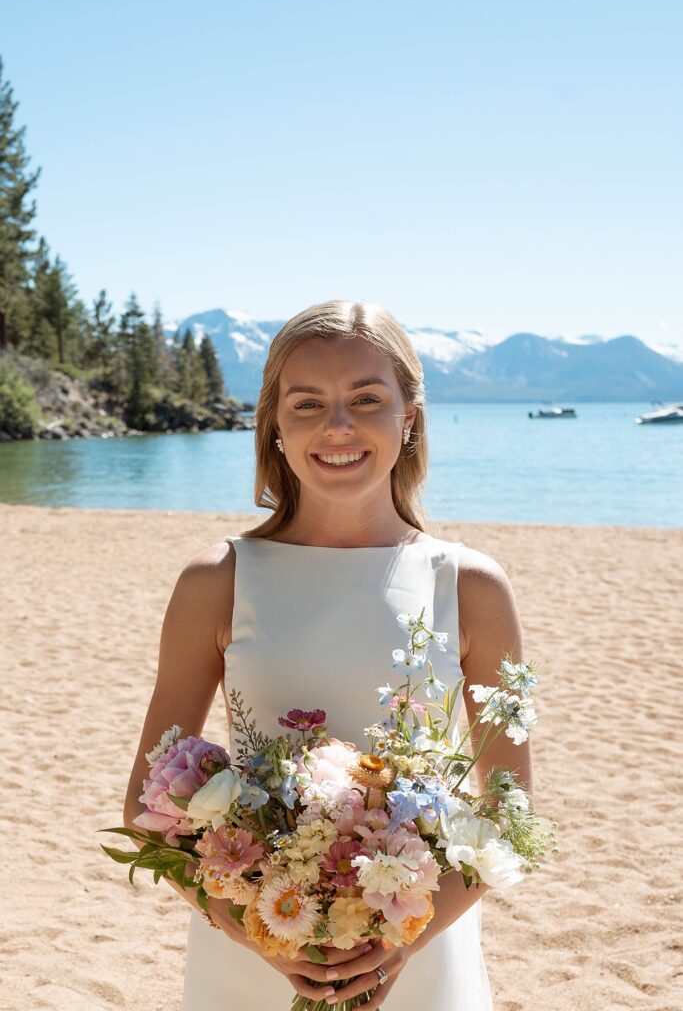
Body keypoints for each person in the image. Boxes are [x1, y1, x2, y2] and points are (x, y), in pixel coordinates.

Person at [123, 299, 533, 1010]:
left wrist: (400, 943)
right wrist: (256, 933)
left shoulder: (470, 585)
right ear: (273, 425)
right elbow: (143, 804)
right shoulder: (216, 580)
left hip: (418, 954)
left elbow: (509, 815)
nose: (337, 427)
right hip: (252, 957)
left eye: (366, 399)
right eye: (306, 403)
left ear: (408, 416)